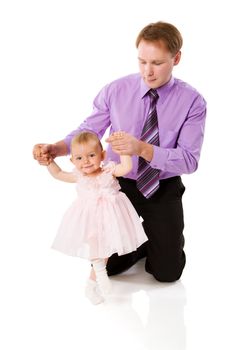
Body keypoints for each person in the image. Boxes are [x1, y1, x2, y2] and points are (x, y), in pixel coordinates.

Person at [33, 21, 207, 284]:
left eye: (157, 63)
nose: (148, 72)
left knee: (167, 274)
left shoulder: (193, 101)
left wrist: (143, 149)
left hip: (162, 184)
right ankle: (139, 241)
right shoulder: (116, 90)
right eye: (142, 62)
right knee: (109, 266)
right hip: (117, 185)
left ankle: (158, 241)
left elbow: (190, 160)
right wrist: (56, 148)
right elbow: (89, 130)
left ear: (177, 58)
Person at [38, 131, 148, 304]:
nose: (86, 161)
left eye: (91, 155)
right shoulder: (78, 176)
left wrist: (124, 150)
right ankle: (99, 276)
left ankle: (90, 284)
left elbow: (126, 167)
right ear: (73, 161)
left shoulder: (108, 170)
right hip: (90, 218)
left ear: (102, 155)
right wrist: (49, 162)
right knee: (94, 243)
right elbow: (59, 174)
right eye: (79, 158)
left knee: (105, 250)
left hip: (110, 217)